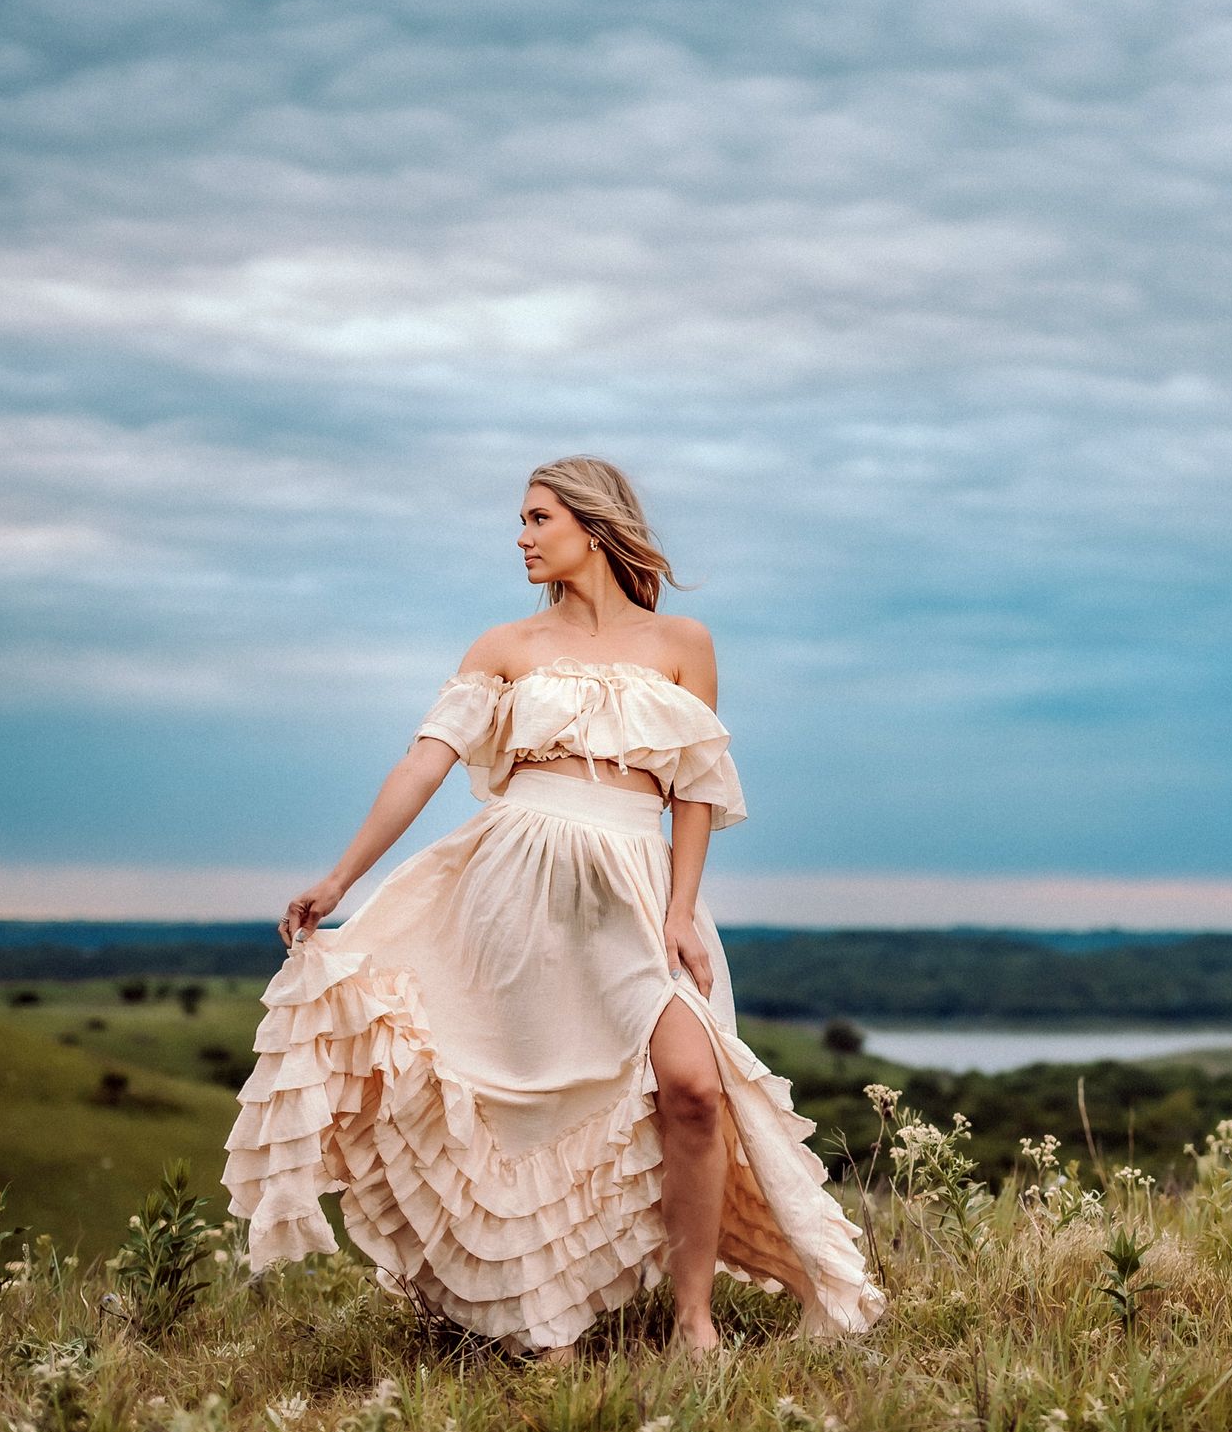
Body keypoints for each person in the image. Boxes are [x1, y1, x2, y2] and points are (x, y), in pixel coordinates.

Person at [220, 454, 886, 1363]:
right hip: (516, 882)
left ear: (594, 524)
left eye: (538, 518)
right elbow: (425, 762)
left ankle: (695, 1319)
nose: (522, 537)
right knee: (521, 1105)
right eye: (522, 521)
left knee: (691, 1089)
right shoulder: (505, 647)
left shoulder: (682, 641)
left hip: (636, 887)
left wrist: (682, 911)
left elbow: (694, 789)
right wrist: (340, 880)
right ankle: (537, 1317)